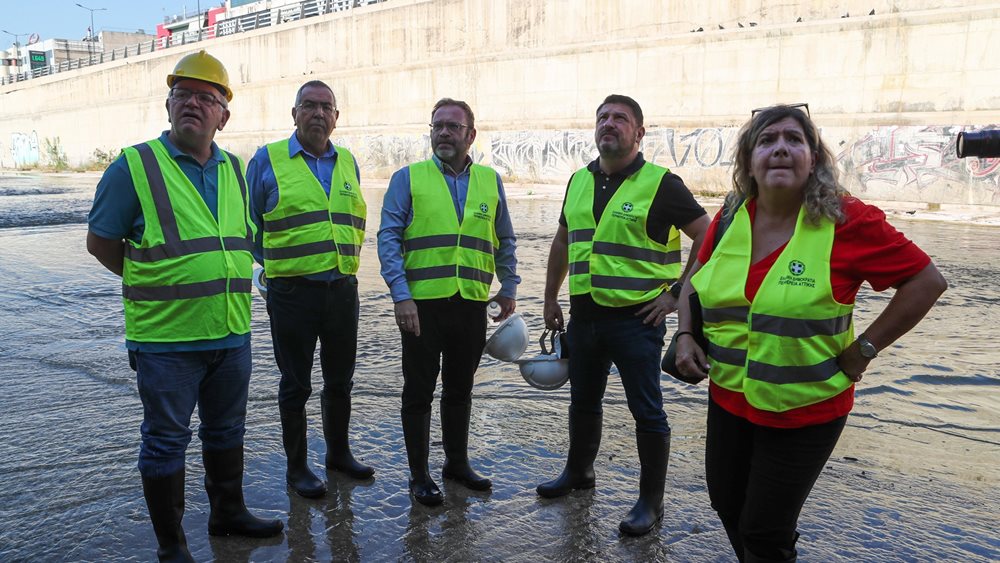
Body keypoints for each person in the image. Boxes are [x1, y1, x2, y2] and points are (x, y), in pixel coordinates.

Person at [675, 103, 947, 562]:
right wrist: (685, 334)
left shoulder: (848, 220)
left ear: (813, 158)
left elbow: (926, 281)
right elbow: (694, 280)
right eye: (767, 140)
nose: (780, 148)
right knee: (728, 505)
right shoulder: (728, 217)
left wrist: (865, 349)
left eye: (793, 140)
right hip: (728, 399)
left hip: (805, 411)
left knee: (764, 529)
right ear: (749, 162)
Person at [86, 50, 283, 562]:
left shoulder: (236, 170)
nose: (193, 103)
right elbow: (102, 243)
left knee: (226, 431)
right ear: (168, 104)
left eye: (206, 97)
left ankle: (227, 514)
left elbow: (239, 242)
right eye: (183, 94)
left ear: (224, 114)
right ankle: (172, 547)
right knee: (165, 442)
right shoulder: (135, 166)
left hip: (231, 335)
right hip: (166, 341)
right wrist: (157, 281)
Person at [537, 94, 710, 536]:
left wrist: (676, 294)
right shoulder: (578, 180)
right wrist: (551, 297)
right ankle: (579, 472)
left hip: (638, 322)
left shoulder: (662, 184)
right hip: (584, 318)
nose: (609, 124)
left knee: (647, 411)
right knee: (583, 401)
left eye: (620, 118)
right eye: (602, 118)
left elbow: (709, 236)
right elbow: (562, 241)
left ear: (639, 132)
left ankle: (651, 503)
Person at [377, 98, 520, 506]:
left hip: (470, 305)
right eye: (437, 125)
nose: (443, 132)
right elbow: (388, 239)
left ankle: (456, 463)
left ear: (470, 135)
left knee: (460, 390)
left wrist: (508, 286)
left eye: (453, 127)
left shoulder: (490, 182)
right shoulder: (408, 178)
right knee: (418, 391)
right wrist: (400, 295)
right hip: (420, 307)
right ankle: (419, 475)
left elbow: (505, 238)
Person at [247, 80, 373, 499]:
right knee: (295, 384)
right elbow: (250, 229)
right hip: (291, 294)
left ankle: (338, 455)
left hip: (342, 291)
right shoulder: (267, 160)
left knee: (340, 381)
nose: (318, 113)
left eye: (326, 107)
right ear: (294, 113)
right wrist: (278, 270)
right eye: (309, 106)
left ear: (336, 117)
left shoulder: (348, 162)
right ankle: (297, 468)